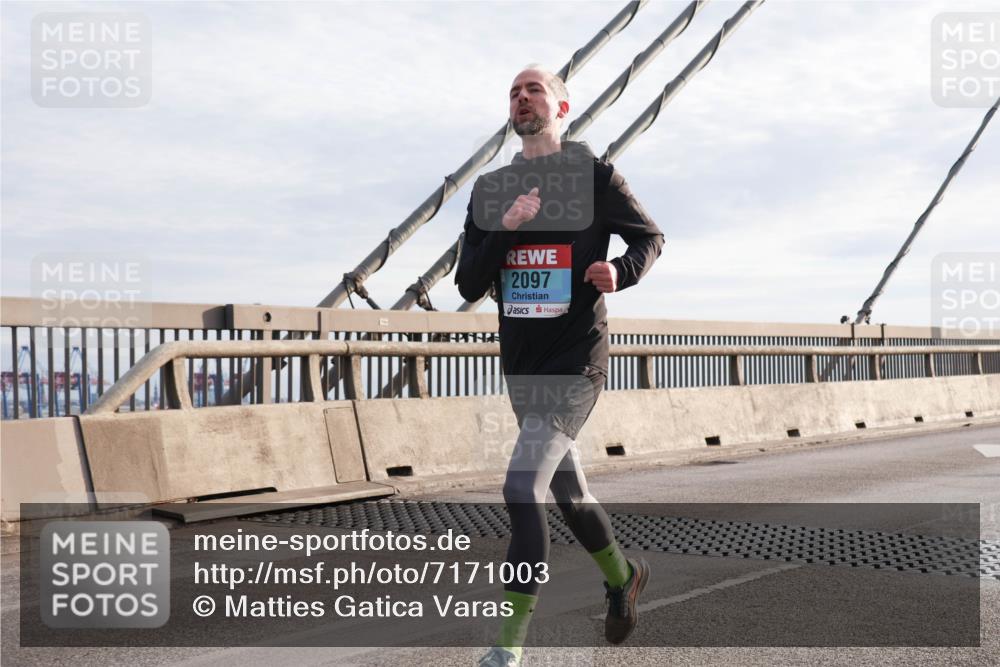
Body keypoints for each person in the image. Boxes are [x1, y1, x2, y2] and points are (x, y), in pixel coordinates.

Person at [456, 65, 664, 667]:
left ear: (562, 107)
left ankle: (509, 647)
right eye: (514, 92)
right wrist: (506, 227)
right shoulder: (491, 190)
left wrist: (619, 272)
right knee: (569, 496)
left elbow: (648, 238)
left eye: (535, 89)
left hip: (577, 360)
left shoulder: (592, 175)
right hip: (522, 363)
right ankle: (622, 578)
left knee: (522, 488)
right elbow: (469, 279)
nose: (523, 98)